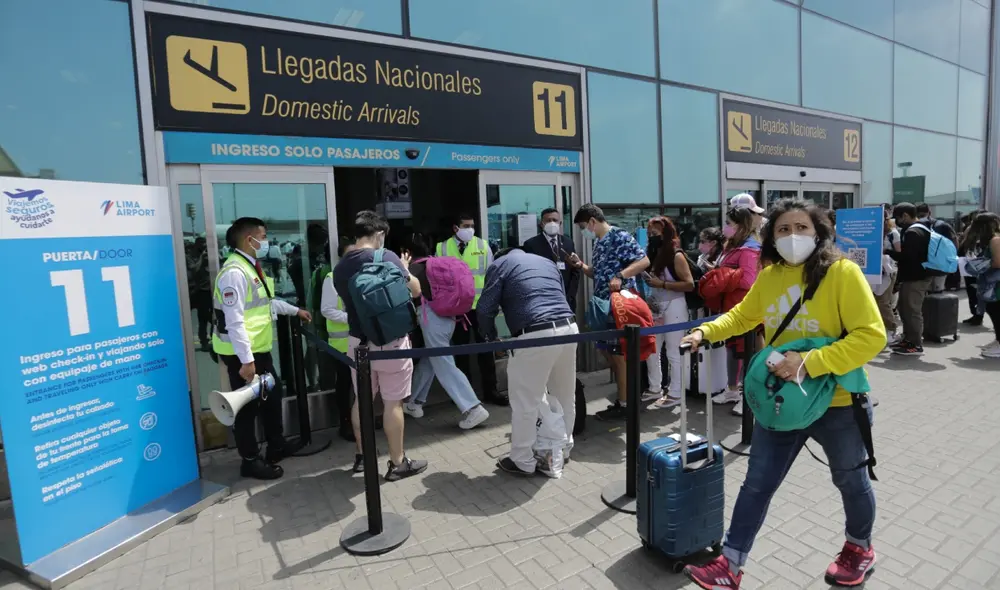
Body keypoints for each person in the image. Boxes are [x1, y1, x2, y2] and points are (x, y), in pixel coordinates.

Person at [681, 199, 884, 590]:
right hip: (782, 402)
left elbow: (871, 336)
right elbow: (743, 316)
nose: (793, 236)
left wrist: (809, 362)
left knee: (851, 480)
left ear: (819, 232)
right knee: (756, 482)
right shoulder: (770, 275)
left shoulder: (842, 273)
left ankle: (859, 548)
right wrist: (705, 332)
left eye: (802, 228)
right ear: (771, 237)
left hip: (838, 402)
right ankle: (730, 564)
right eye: (783, 229)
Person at [212, 217, 313, 480]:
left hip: (257, 352)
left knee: (271, 397)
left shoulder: (250, 267)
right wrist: (247, 362)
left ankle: (276, 445)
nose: (266, 242)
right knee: (247, 407)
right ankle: (250, 460)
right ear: (249, 239)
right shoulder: (234, 272)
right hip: (242, 355)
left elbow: (266, 302)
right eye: (263, 236)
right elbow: (234, 321)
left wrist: (295, 310)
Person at [333, 211, 428, 481]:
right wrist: (405, 269)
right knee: (392, 403)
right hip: (391, 342)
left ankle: (363, 457)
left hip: (357, 343)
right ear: (379, 234)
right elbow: (416, 290)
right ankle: (397, 463)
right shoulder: (387, 258)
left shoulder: (339, 268)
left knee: (361, 400)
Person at [477, 247, 578, 476]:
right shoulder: (546, 262)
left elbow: (484, 309)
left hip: (534, 334)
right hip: (569, 327)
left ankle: (522, 460)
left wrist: (490, 337)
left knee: (525, 400)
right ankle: (564, 448)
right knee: (565, 394)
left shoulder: (500, 265)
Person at [567, 204, 650, 421]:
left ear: (593, 222)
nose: (585, 231)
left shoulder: (618, 236)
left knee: (619, 355)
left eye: (584, 226)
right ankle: (624, 399)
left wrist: (621, 276)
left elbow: (643, 261)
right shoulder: (599, 243)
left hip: (619, 305)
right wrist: (581, 266)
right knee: (610, 354)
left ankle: (626, 404)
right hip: (604, 306)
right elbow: (599, 274)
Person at [402, 233, 490, 429]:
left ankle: (473, 408)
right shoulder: (434, 264)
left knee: (444, 364)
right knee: (431, 360)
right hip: (449, 318)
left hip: (431, 319)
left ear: (407, 252)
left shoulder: (413, 270)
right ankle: (414, 403)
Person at [436, 213, 507, 406]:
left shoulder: (483, 246)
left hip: (480, 307)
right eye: (466, 225)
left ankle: (491, 391)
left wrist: (493, 303)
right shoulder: (442, 247)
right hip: (457, 309)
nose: (470, 229)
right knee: (461, 352)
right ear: (455, 228)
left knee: (486, 349)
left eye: (472, 225)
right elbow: (438, 279)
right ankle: (463, 396)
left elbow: (492, 276)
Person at [708, 208, 761, 415]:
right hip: (730, 307)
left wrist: (722, 277)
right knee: (733, 351)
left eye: (729, 223)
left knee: (748, 353)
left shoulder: (749, 249)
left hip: (745, 310)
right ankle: (732, 390)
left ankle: (748, 397)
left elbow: (748, 280)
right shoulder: (731, 246)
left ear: (740, 225)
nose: (725, 227)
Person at [640, 216, 694, 409]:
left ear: (666, 233)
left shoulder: (676, 255)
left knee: (673, 352)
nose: (651, 237)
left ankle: (676, 392)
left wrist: (661, 283)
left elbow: (689, 284)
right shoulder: (653, 254)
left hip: (675, 307)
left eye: (655, 233)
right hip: (656, 307)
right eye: (649, 234)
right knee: (652, 350)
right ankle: (655, 387)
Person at [320, 242, 357, 442]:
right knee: (344, 386)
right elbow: (327, 310)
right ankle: (346, 424)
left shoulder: (361, 276)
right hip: (341, 345)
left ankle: (362, 420)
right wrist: (351, 318)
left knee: (363, 385)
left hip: (361, 341)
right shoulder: (331, 279)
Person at [888, 202, 932, 356]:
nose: (897, 222)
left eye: (898, 218)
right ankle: (908, 339)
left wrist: (888, 252)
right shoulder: (921, 229)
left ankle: (915, 344)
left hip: (916, 277)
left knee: (912, 310)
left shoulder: (913, 232)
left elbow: (908, 257)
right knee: (904, 308)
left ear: (905, 216)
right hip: (914, 276)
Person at [522, 208, 581, 310]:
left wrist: (570, 296)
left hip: (566, 300)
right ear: (541, 224)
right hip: (543, 302)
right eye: (548, 220)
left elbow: (574, 271)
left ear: (560, 223)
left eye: (555, 220)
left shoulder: (568, 243)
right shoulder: (531, 244)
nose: (552, 223)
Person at [962, 212, 1000, 358]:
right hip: (991, 283)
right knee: (993, 310)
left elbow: (997, 262)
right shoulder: (990, 240)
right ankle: (998, 340)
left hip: (996, 284)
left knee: (996, 312)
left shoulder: (995, 240)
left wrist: (979, 265)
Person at [915, 202, 957, 293]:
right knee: (933, 291)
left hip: (932, 265)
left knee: (934, 291)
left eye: (922, 215)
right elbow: (954, 243)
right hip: (934, 264)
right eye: (919, 216)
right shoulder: (942, 225)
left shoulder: (941, 226)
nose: (921, 218)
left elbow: (953, 243)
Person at [876, 206, 901, 346]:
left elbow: (899, 253)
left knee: (883, 302)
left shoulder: (893, 234)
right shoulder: (871, 232)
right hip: (872, 271)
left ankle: (891, 330)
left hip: (888, 270)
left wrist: (885, 252)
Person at [960, 210, 987, 326]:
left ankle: (978, 314)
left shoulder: (989, 232)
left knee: (979, 290)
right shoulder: (970, 229)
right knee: (972, 290)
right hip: (969, 262)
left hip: (981, 264)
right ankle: (976, 314)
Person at [186, 237, 212, 351]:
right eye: (202, 244)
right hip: (198, 291)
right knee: (203, 319)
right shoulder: (190, 258)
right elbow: (194, 270)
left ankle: (213, 338)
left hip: (210, 290)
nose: (204, 246)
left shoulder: (208, 254)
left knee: (213, 317)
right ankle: (204, 341)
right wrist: (201, 258)